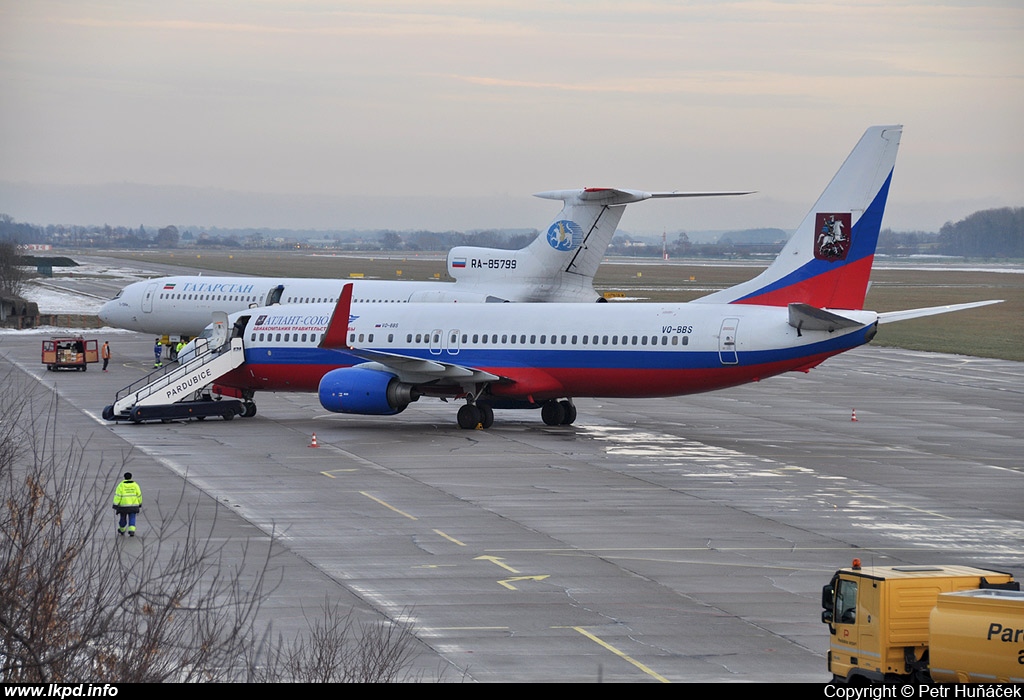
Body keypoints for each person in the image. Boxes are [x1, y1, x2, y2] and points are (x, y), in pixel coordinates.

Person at [112, 472, 143, 536]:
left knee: (123, 517)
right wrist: (139, 503)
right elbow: (139, 495)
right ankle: (131, 530)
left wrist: (115, 504)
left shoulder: (121, 485)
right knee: (132, 517)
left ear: (124, 477)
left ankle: (122, 529)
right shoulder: (135, 485)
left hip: (123, 506)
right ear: (131, 477)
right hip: (133, 505)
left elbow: (117, 495)